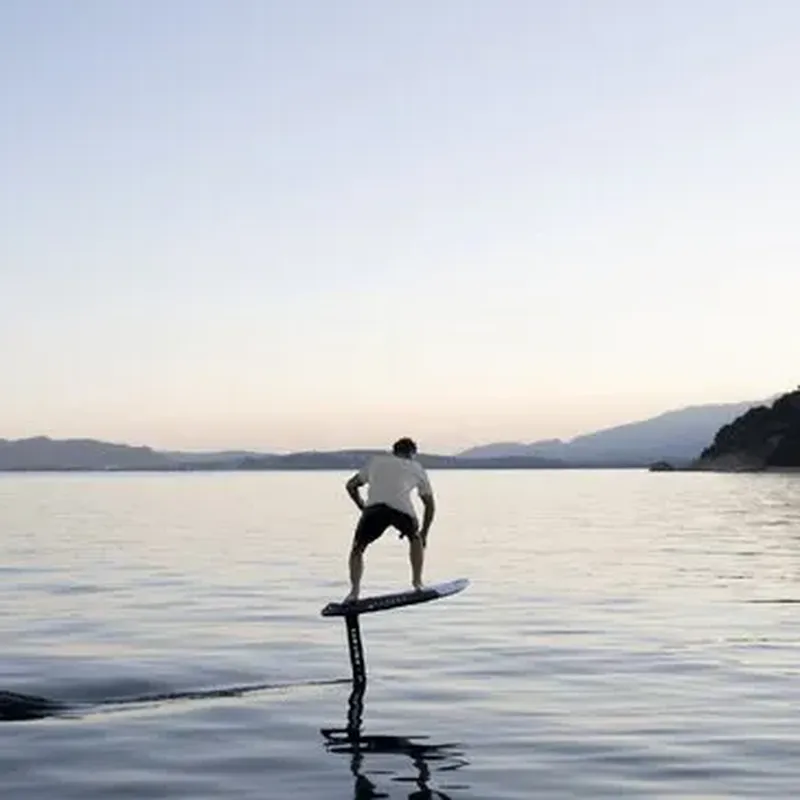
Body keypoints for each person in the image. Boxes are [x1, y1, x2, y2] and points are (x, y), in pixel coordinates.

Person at [342, 437, 435, 603]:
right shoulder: (416, 467)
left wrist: (362, 506)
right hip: (402, 510)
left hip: (374, 509)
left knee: (358, 549)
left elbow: (350, 486)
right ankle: (417, 583)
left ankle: (354, 592)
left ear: (394, 451)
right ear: (412, 454)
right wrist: (424, 534)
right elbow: (430, 505)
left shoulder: (376, 462)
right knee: (415, 538)